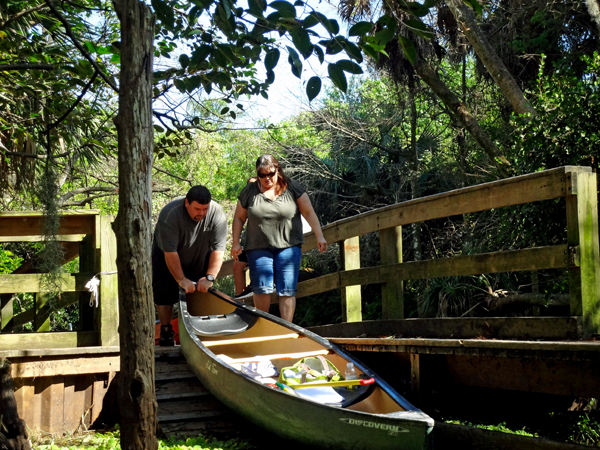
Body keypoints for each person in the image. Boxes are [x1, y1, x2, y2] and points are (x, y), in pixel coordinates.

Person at [231, 154, 327, 322]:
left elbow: (308, 212)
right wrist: (236, 242)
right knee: (261, 288)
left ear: (278, 171)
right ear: (257, 174)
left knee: (287, 289)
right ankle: (263, 325)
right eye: (262, 175)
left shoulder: (292, 187)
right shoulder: (249, 191)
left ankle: (286, 328)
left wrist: (319, 235)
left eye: (271, 174)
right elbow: (239, 218)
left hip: (289, 246)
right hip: (258, 247)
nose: (267, 178)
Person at [152, 185, 227, 346]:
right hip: (167, 255)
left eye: (205, 209)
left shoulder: (218, 214)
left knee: (201, 289)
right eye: (197, 209)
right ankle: (166, 331)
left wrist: (209, 277)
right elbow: (170, 253)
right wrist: (180, 279)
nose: (201, 213)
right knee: (163, 290)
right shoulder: (170, 214)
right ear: (187, 203)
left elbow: (218, 251)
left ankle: (199, 330)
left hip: (199, 253)